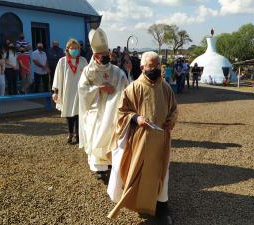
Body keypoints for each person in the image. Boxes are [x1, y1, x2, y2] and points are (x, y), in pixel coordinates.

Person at [107, 51, 178, 225]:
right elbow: (122, 112)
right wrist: (136, 118)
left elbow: (174, 109)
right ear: (142, 67)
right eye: (150, 66)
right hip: (141, 140)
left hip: (161, 140)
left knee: (162, 173)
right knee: (140, 173)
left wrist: (171, 120)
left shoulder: (166, 87)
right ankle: (140, 203)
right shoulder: (133, 88)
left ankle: (162, 207)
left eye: (157, 66)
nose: (154, 69)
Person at [78, 27, 129, 183]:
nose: (106, 58)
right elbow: (82, 89)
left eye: (108, 55)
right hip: (95, 111)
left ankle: (111, 164)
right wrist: (99, 88)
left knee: (112, 136)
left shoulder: (116, 71)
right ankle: (99, 168)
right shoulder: (88, 71)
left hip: (112, 112)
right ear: (95, 56)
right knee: (96, 136)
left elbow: (126, 87)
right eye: (102, 56)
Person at [52, 39, 88, 144]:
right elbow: (57, 77)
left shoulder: (83, 61)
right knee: (69, 113)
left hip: (80, 92)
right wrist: (55, 92)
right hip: (67, 91)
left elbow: (88, 76)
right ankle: (70, 133)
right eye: (72, 48)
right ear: (67, 49)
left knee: (79, 114)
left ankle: (78, 134)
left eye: (77, 48)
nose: (75, 50)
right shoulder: (62, 61)